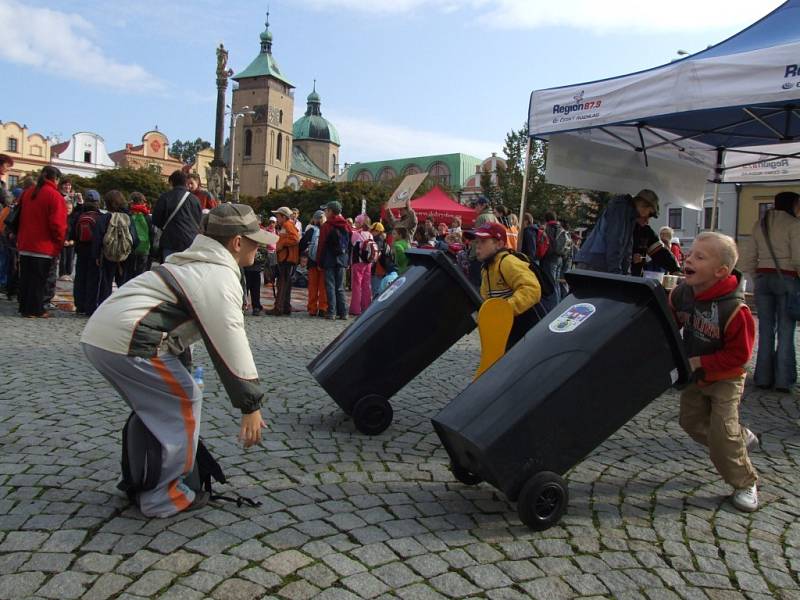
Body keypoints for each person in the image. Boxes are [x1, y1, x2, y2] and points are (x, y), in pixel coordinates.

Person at [80, 203, 270, 517]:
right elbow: (229, 340)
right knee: (183, 400)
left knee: (156, 408)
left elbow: (177, 329)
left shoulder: (197, 262)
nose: (259, 247)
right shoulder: (219, 275)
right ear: (238, 242)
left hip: (105, 337)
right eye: (255, 240)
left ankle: (137, 479)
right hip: (130, 341)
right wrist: (251, 405)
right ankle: (163, 497)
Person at [670, 232, 759, 512]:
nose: (689, 258)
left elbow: (740, 356)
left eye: (700, 256)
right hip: (696, 376)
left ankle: (745, 482)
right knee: (690, 422)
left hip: (726, 378)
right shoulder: (683, 292)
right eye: (690, 252)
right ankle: (739, 437)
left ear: (721, 271)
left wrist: (701, 363)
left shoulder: (735, 310)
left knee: (721, 432)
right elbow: (671, 318)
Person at [739, 191, 800, 392]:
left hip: (763, 280)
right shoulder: (794, 224)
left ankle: (763, 378)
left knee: (765, 331)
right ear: (793, 204)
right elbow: (799, 258)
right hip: (787, 279)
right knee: (786, 331)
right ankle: (783, 380)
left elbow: (748, 258)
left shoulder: (760, 225)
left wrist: (756, 279)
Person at [474, 222, 542, 350]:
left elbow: (532, 289)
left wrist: (504, 310)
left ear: (499, 244)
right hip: (506, 328)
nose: (477, 247)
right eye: (476, 242)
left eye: (483, 242)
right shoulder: (486, 268)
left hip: (525, 328)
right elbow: (486, 299)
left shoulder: (507, 262)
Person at [16, 166, 67, 318]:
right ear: (55, 179)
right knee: (39, 281)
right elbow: (58, 224)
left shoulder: (28, 193)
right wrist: (59, 242)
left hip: (26, 242)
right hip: (44, 245)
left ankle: (24, 307)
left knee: (25, 278)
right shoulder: (54, 195)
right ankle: (36, 309)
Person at [575, 189, 659, 274]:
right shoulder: (620, 208)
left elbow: (627, 249)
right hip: (593, 264)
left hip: (597, 264)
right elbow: (614, 241)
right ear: (643, 205)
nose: (648, 220)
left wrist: (625, 273)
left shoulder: (629, 215)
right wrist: (616, 273)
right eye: (649, 214)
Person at [92, 190, 140, 312]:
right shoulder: (128, 218)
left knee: (105, 283)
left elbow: (98, 238)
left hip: (107, 255)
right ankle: (123, 308)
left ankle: (103, 309)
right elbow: (135, 239)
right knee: (123, 283)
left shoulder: (105, 218)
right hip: (124, 256)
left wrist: (96, 255)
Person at [152, 170, 202, 262]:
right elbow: (199, 220)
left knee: (169, 272)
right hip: (190, 242)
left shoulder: (165, 197)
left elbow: (156, 220)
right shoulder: (195, 199)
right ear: (185, 182)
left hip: (170, 241)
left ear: (171, 182)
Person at [316, 200, 350, 320]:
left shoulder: (326, 226)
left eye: (326, 210)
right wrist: (347, 261)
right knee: (340, 287)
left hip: (329, 259)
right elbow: (349, 244)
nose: (325, 212)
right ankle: (344, 312)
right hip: (342, 259)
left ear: (331, 211)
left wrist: (319, 261)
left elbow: (321, 245)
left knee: (330, 286)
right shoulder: (346, 225)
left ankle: (332, 312)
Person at [72, 190, 103, 315]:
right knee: (93, 279)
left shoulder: (79, 215)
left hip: (81, 250)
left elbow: (73, 234)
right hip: (95, 252)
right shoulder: (100, 217)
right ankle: (91, 307)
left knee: (80, 278)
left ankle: (80, 305)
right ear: (98, 202)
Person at [270, 206, 300, 316]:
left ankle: (279, 308)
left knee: (282, 284)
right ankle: (286, 307)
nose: (276, 218)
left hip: (287, 259)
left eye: (278, 216)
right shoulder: (287, 225)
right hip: (288, 258)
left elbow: (295, 238)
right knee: (286, 284)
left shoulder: (287, 225)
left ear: (283, 217)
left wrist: (281, 245)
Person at [300, 210, 328, 317]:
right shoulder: (327, 229)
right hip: (324, 263)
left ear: (314, 219)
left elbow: (302, 244)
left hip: (312, 262)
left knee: (313, 286)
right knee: (323, 287)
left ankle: (312, 309)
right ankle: (323, 308)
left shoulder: (311, 230)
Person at [468, 196, 498, 286]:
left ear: (484, 205)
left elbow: (477, 239)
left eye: (477, 205)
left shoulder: (481, 217)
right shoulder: (494, 217)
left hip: (480, 257)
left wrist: (472, 256)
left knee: (475, 286)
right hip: (491, 255)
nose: (475, 207)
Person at [349, 214, 374, 317]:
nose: (355, 223)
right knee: (366, 285)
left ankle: (355, 309)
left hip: (357, 262)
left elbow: (352, 244)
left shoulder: (356, 234)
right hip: (368, 263)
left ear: (361, 223)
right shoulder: (370, 235)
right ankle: (366, 307)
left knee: (356, 285)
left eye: (357, 222)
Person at [129, 192, 153, 278]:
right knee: (141, 274)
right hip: (144, 248)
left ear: (131, 202)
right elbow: (151, 234)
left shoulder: (129, 214)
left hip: (130, 248)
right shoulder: (148, 216)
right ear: (143, 202)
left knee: (129, 272)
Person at [370, 222, 393, 298]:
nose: (371, 232)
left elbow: (376, 255)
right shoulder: (382, 240)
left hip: (378, 270)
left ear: (378, 231)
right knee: (379, 291)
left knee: (376, 292)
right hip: (382, 269)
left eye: (373, 230)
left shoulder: (378, 241)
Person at [58, 199, 76, 280]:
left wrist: (73, 240)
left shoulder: (73, 219)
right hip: (62, 241)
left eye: (69, 208)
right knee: (63, 258)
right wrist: (63, 240)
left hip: (71, 241)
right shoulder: (61, 217)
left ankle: (68, 273)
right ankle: (62, 273)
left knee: (70, 258)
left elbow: (75, 231)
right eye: (66, 208)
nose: (68, 210)